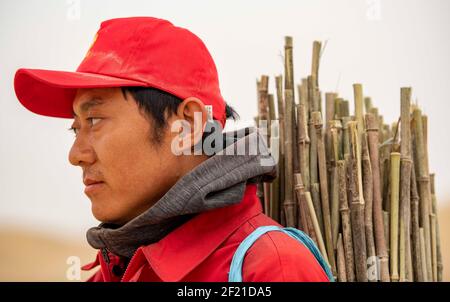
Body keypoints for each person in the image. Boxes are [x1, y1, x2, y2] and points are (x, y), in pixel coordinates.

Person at [14, 17, 331, 282]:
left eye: (94, 120)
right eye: (75, 127)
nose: (76, 155)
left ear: (189, 124)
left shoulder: (269, 268)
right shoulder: (114, 270)